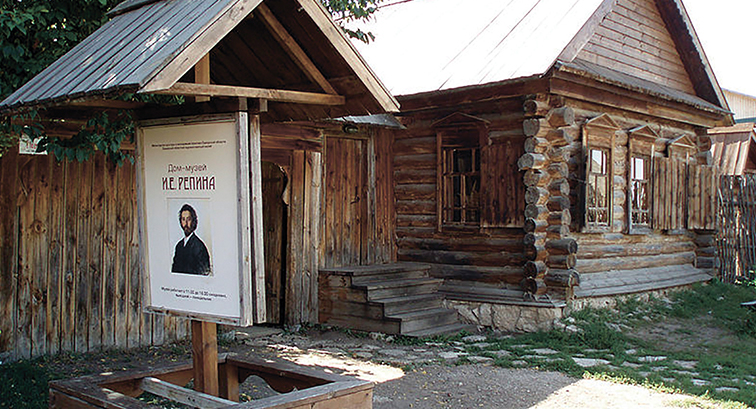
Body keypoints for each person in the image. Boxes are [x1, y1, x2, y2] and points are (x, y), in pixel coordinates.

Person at [171, 203, 211, 275]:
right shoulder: (179, 246)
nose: (186, 223)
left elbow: (204, 274)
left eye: (188, 219)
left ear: (193, 221)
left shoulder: (199, 246)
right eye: (183, 219)